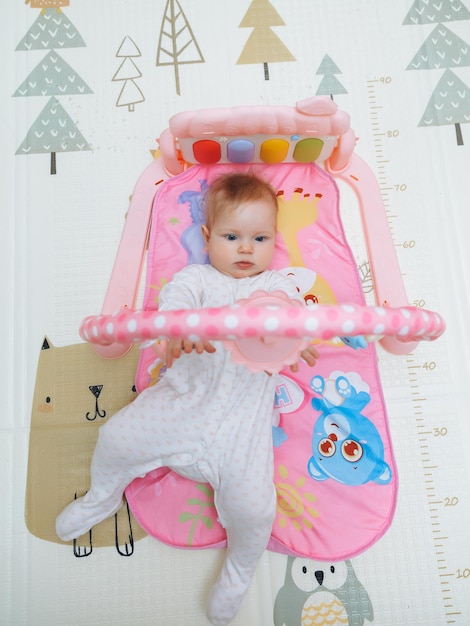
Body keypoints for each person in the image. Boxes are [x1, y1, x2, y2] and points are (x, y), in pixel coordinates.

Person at [56, 171, 319, 626]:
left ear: (274, 241)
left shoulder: (278, 288)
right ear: (207, 236)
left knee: (255, 508)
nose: (244, 248)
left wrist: (297, 338)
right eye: (231, 235)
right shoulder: (196, 279)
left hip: (242, 427)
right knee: (116, 436)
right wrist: (177, 331)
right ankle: (103, 495)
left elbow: (294, 319)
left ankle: (239, 569)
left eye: (259, 237)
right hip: (179, 405)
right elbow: (174, 305)